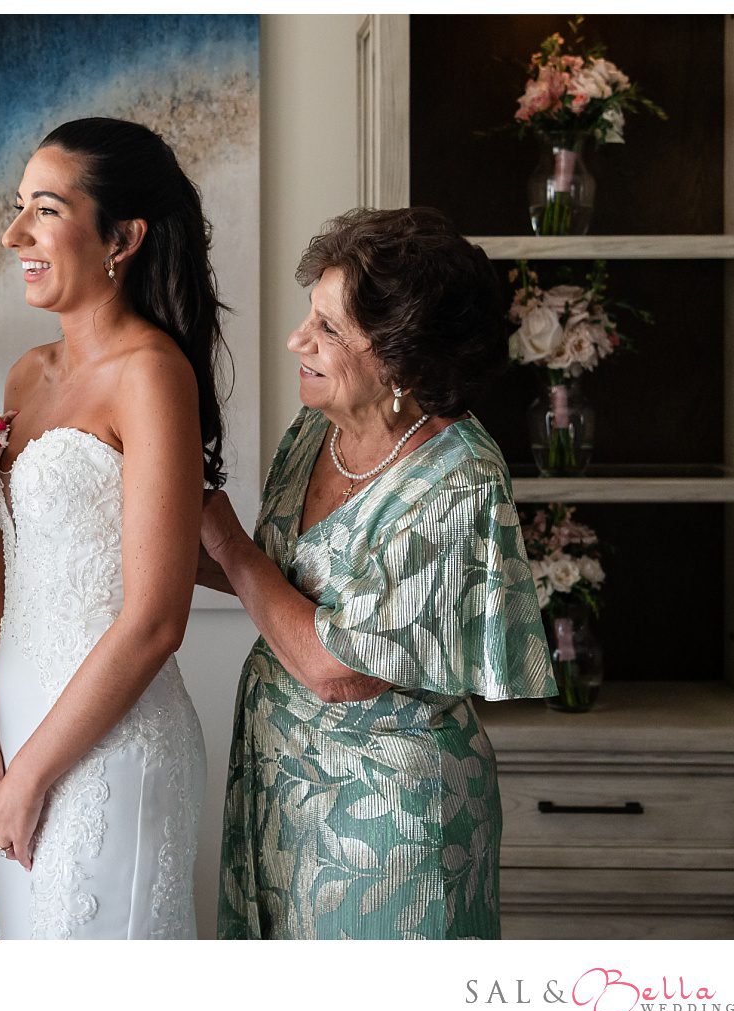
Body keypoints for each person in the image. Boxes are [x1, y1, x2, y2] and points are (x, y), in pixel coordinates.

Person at [199, 206, 557, 940]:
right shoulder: (318, 428)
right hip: (282, 784)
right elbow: (280, 582)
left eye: (329, 329)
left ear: (404, 358)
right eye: (311, 314)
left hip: (390, 823)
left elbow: (340, 669)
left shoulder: (460, 476)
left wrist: (228, 540)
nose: (298, 339)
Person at [0, 118, 223, 939]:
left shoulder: (152, 376)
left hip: (109, 748)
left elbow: (155, 620)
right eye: (16, 208)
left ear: (123, 237)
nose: (14, 234)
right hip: (16, 739)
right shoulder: (25, 375)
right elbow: (10, 568)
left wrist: (33, 775)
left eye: (45, 209)